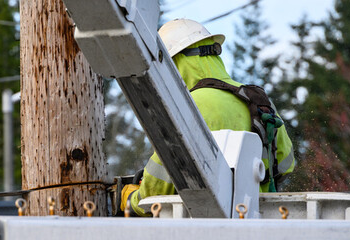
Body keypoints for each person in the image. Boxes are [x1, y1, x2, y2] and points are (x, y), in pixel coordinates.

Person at [120, 19, 296, 217]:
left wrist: (132, 199)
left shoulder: (186, 105)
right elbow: (285, 165)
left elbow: (156, 190)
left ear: (174, 63)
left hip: (199, 225)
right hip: (254, 220)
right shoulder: (259, 101)